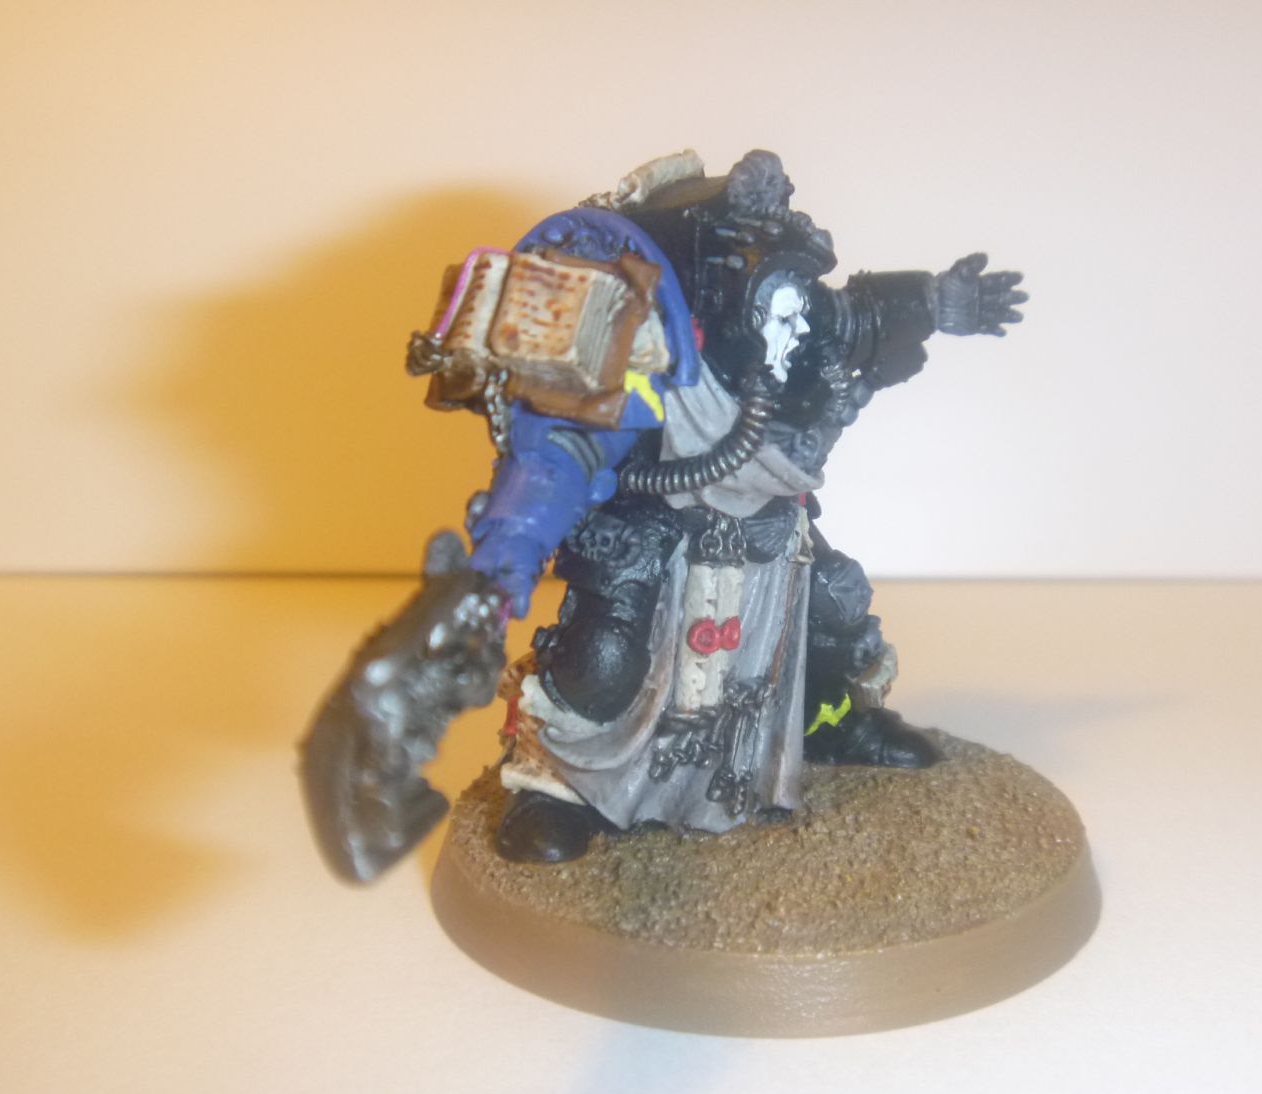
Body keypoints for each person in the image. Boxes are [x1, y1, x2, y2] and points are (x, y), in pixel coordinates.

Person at [418, 150, 1028, 863]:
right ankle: (556, 786)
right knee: (604, 656)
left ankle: (826, 722)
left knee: (835, 609)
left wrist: (933, 300)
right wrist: (507, 557)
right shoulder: (630, 332)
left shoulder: (797, 311)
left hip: (768, 520)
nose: (788, 330)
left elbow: (856, 315)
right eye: (771, 301)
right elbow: (556, 453)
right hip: (648, 518)